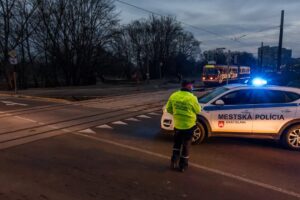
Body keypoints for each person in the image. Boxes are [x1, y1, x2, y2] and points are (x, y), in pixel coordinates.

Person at [166, 80, 201, 172]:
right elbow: (198, 110)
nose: (192, 87)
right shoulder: (192, 98)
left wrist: (177, 114)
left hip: (177, 125)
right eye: (192, 85)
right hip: (189, 126)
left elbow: (168, 109)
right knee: (186, 146)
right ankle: (183, 166)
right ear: (189, 86)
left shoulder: (174, 95)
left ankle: (173, 162)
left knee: (176, 144)